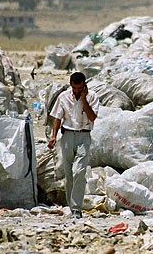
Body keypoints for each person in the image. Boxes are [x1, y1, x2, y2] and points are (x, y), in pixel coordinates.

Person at [48, 72, 99, 219]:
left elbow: (92, 117)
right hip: (68, 136)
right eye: (74, 88)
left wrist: (83, 99)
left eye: (79, 88)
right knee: (69, 174)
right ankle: (72, 208)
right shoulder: (63, 97)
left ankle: (77, 208)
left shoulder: (92, 97)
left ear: (84, 85)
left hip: (84, 136)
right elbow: (57, 117)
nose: (76, 91)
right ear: (71, 85)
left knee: (79, 171)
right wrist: (53, 135)